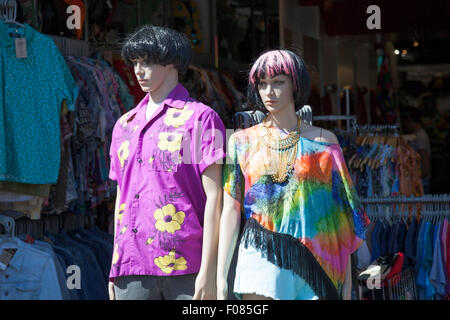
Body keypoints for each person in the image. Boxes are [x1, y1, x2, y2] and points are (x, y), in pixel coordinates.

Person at [217, 49, 370, 300]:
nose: (269, 92)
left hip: (318, 259)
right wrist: (220, 276)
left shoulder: (323, 142)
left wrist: (347, 280)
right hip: (261, 256)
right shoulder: (240, 142)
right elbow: (230, 210)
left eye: (278, 82)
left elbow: (341, 216)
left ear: (295, 85)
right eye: (262, 83)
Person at [107, 25, 226, 300]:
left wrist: (210, 272)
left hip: (187, 265)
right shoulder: (123, 125)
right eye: (135, 62)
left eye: (147, 61)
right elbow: (120, 200)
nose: (139, 70)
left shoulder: (204, 119)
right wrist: (114, 265)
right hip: (132, 265)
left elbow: (215, 198)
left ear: (172, 62)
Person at [400, 106, 432, 193]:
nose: (404, 124)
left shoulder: (420, 136)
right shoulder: (418, 135)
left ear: (409, 119)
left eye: (404, 121)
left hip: (421, 185)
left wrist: (415, 180)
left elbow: (426, 166)